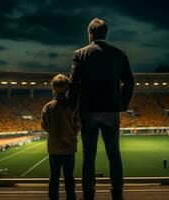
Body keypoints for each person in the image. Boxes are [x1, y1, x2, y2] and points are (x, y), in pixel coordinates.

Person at [69, 18, 134, 200]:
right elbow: (129, 82)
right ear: (105, 34)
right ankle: (117, 193)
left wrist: (71, 109)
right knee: (114, 154)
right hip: (111, 110)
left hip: (88, 111)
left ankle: (88, 194)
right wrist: (122, 104)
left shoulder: (79, 54)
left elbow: (73, 85)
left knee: (88, 156)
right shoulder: (119, 54)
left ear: (90, 34)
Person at [41, 74, 81, 200]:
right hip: (69, 146)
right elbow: (78, 124)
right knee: (69, 175)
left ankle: (53, 197)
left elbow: (44, 125)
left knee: (54, 175)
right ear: (68, 88)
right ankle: (71, 197)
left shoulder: (48, 107)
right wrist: (71, 133)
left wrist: (53, 132)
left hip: (54, 146)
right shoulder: (72, 106)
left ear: (53, 88)